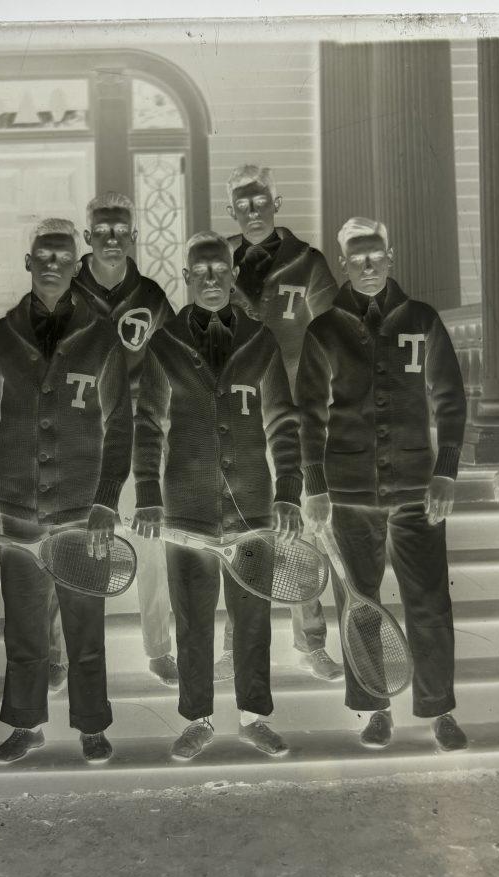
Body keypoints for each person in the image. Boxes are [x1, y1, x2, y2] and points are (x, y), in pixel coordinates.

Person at [297, 216, 468, 752]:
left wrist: (446, 471)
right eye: (357, 257)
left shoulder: (421, 318)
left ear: (390, 257)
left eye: (376, 255)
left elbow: (450, 400)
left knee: (429, 599)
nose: (368, 265)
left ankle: (439, 708)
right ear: (342, 263)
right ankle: (374, 708)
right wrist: (316, 485)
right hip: (350, 493)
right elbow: (308, 415)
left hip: (418, 490)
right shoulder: (324, 329)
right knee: (359, 601)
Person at [132, 230, 303, 760]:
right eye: (199, 270)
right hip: (185, 506)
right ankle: (196, 718)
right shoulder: (165, 344)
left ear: (232, 275)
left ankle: (255, 717)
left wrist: (290, 490)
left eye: (219, 269)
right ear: (185, 277)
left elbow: (283, 421)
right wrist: (146, 493)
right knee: (193, 615)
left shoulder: (260, 340)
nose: (210, 278)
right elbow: (147, 423)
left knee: (252, 616)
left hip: (252, 503)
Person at [0, 218, 133, 765]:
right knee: (24, 625)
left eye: (65, 255)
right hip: (15, 510)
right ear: (28, 261)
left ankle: (91, 725)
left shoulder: (102, 338)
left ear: (77, 262)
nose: (54, 264)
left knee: (85, 625)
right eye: (45, 254)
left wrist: (107, 500)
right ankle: (25, 724)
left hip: (80, 512)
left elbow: (121, 425)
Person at [213, 163, 343, 685]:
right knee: (241, 524)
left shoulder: (307, 261)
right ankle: (236, 643)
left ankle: (311, 640)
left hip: (293, 408)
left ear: (276, 202)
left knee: (300, 526)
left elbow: (336, 334)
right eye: (241, 203)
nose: (251, 210)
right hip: (239, 412)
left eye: (259, 200)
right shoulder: (218, 260)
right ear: (231, 211)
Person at [66, 191, 178, 686]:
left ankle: (158, 647)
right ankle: (58, 654)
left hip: (135, 433)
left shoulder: (151, 296)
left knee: (148, 542)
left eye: (121, 229)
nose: (113, 237)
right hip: (79, 433)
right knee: (67, 538)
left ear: (133, 236)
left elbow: (177, 362)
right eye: (103, 229)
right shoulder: (65, 294)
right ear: (88, 237)